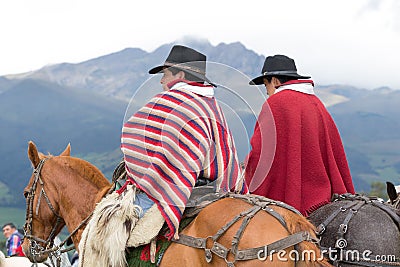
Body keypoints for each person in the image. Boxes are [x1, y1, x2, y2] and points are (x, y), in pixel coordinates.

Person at [120, 45, 248, 240]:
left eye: (165, 74)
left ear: (179, 74)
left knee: (118, 226)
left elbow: (131, 131)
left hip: (183, 190)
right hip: (215, 189)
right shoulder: (213, 105)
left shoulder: (170, 100)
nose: (162, 81)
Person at [244, 54, 355, 216]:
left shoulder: (276, 103)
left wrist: (245, 173)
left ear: (275, 81)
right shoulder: (315, 102)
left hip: (294, 201)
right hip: (324, 198)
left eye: (266, 86)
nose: (267, 93)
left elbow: (261, 153)